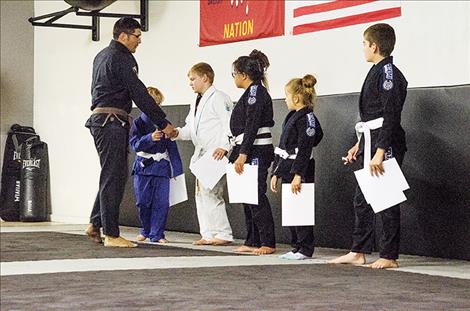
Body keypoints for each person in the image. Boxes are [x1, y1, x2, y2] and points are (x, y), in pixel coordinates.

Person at [85, 17, 176, 248]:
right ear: (123, 36)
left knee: (111, 174)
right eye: (137, 36)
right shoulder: (122, 58)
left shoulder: (101, 56)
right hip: (111, 121)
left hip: (101, 119)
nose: (139, 41)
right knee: (114, 176)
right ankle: (112, 234)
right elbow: (139, 93)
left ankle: (96, 223)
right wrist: (162, 122)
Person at [329, 23, 408, 268]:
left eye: (364, 44)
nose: (362, 48)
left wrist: (380, 151)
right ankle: (359, 250)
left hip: (386, 143)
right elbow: (371, 117)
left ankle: (389, 255)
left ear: (374, 46)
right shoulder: (377, 70)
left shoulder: (388, 74)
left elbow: (391, 115)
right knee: (362, 200)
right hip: (372, 140)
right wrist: (360, 144)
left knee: (386, 198)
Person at [173, 63, 234, 246]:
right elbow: (191, 129)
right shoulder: (196, 101)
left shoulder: (220, 98)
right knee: (201, 194)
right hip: (201, 153)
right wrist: (177, 133)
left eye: (193, 79)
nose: (190, 83)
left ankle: (223, 233)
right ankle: (208, 233)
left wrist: (225, 147)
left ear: (205, 77)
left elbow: (229, 125)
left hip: (216, 151)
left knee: (212, 192)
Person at [270, 74, 323, 260]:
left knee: (301, 208)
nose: (284, 99)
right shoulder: (292, 116)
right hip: (287, 166)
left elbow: (308, 144)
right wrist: (276, 172)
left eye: (286, 95)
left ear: (296, 97)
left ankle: (305, 248)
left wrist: (298, 174)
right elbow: (283, 146)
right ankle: (296, 246)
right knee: (292, 209)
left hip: (301, 167)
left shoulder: (308, 118)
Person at [230, 50, 276, 255]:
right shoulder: (250, 93)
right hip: (247, 147)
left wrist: (243, 153)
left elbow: (252, 124)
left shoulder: (256, 92)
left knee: (256, 195)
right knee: (247, 195)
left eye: (234, 74)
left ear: (243, 75)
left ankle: (267, 241)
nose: (234, 78)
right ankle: (253, 239)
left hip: (256, 149)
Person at [130, 87, 183, 243]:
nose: (157, 108)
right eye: (154, 104)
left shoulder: (165, 124)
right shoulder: (138, 123)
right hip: (143, 167)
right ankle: (145, 230)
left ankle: (157, 234)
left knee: (162, 203)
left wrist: (177, 171)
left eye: (159, 104)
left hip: (162, 168)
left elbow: (172, 148)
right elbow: (134, 145)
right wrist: (149, 138)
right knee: (143, 202)